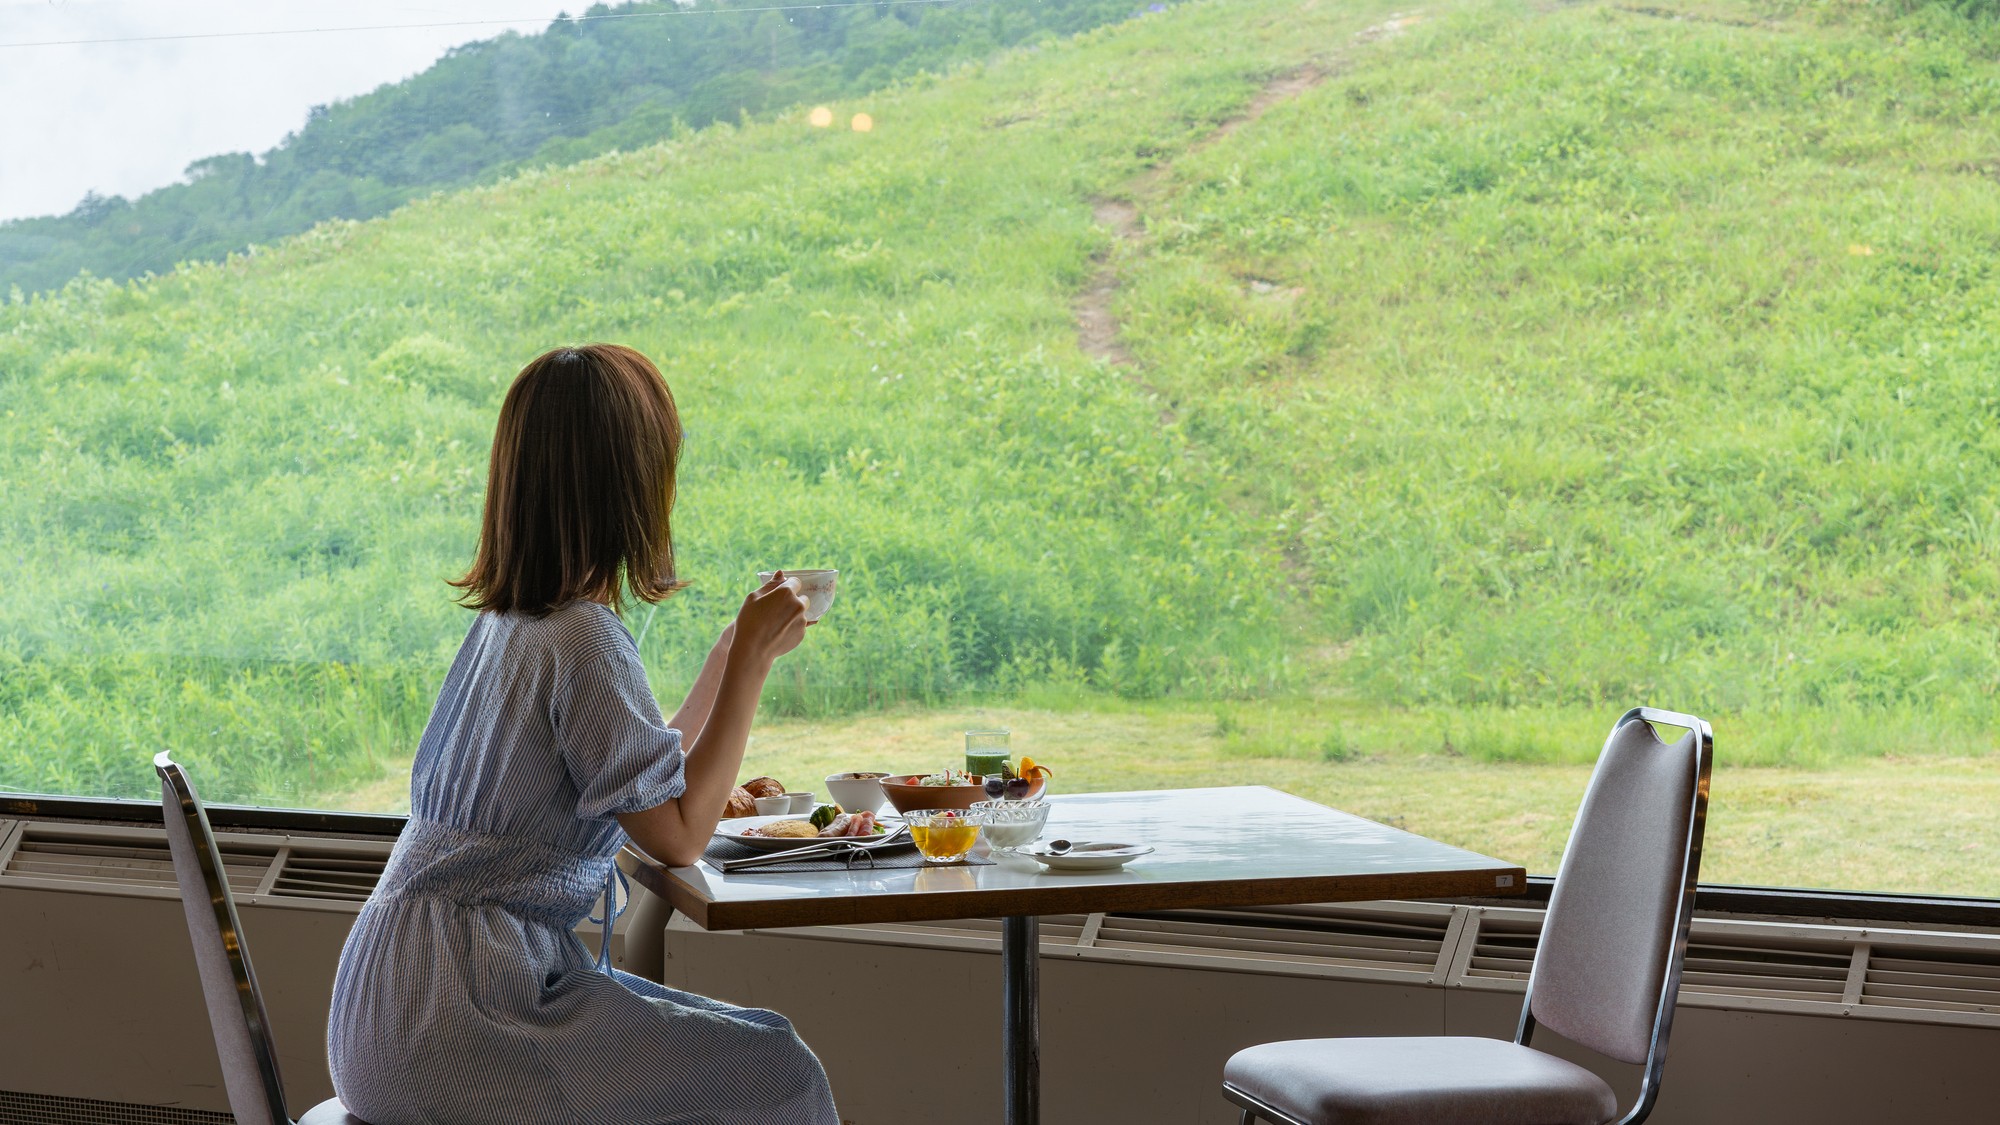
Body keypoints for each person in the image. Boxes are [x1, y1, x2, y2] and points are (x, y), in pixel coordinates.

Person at [327, 344, 839, 1123]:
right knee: (779, 1071)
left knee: (748, 1047)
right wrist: (752, 671)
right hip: (463, 1016)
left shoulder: (514, 626)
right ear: (629, 485)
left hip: (389, 1003)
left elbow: (625, 769)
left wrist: (729, 653)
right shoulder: (583, 637)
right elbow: (677, 836)